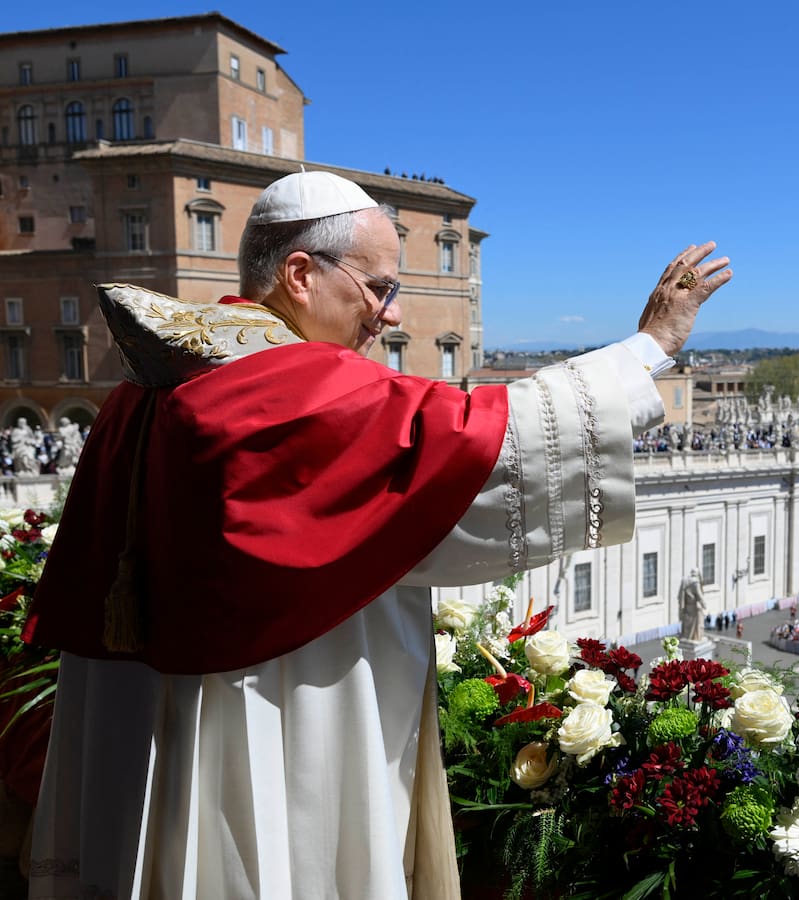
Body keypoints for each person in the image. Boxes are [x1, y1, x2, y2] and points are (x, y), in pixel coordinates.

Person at [20, 170, 731, 899]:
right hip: (273, 709)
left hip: (152, 713)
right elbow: (480, 441)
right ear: (300, 274)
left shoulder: (158, 375)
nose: (388, 317)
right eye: (377, 288)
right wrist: (649, 347)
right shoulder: (284, 385)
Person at [678, 569, 705, 642]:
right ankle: (692, 637)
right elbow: (699, 595)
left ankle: (687, 636)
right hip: (693, 606)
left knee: (687, 621)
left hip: (686, 606)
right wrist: (704, 604)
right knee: (694, 622)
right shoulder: (695, 583)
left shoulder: (685, 580)